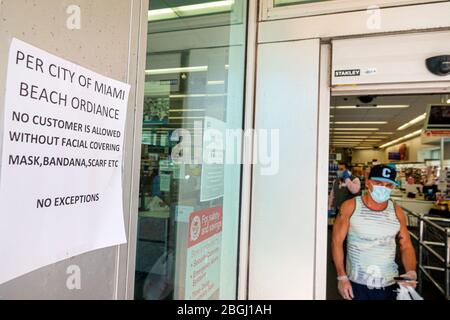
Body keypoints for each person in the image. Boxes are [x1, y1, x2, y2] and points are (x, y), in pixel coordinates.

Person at [332, 164, 417, 300]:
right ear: (367, 182)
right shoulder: (350, 207)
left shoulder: (397, 211)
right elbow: (337, 242)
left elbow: (406, 245)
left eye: (388, 185)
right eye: (378, 183)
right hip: (357, 283)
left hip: (390, 282)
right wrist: (341, 277)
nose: (383, 188)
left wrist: (411, 272)